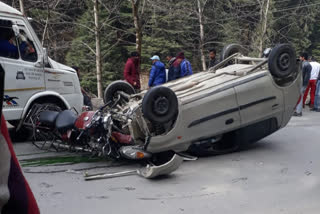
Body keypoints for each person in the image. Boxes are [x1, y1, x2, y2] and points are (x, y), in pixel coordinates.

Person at [293, 52, 312, 116]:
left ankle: (298, 112)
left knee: (300, 97)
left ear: (303, 57)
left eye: (300, 57)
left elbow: (304, 75)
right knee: (300, 97)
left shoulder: (305, 65)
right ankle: (298, 110)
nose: (299, 58)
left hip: (302, 83)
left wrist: (302, 84)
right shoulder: (307, 64)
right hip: (304, 83)